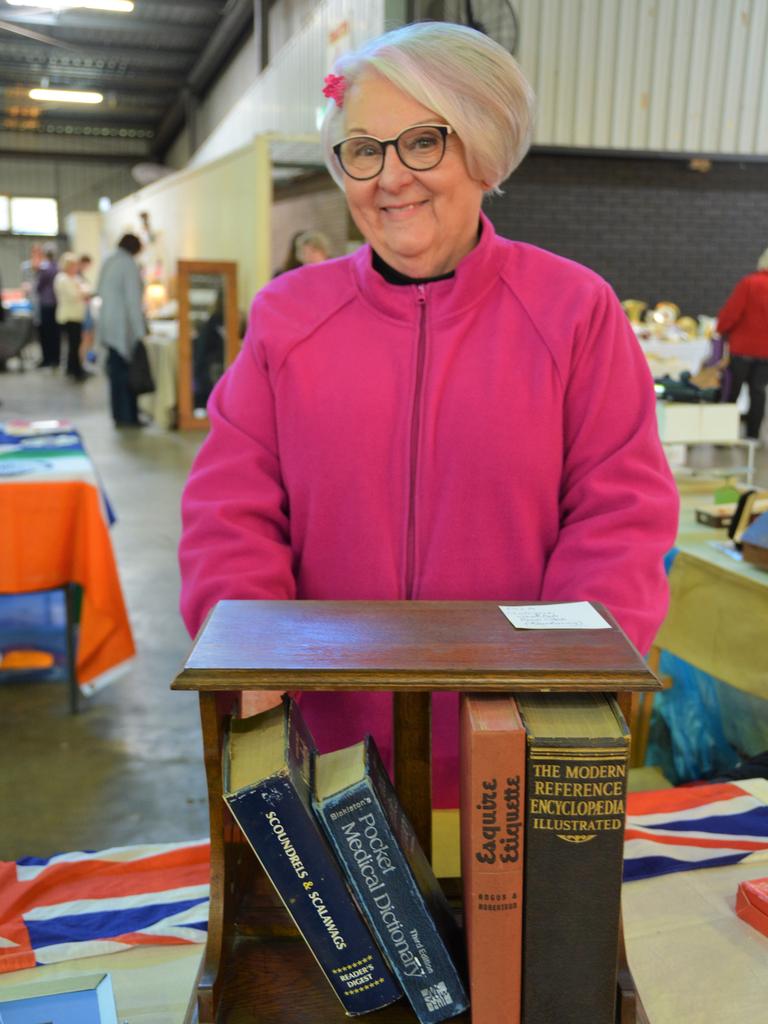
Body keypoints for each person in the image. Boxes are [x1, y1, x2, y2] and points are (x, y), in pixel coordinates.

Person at [179, 23, 679, 807]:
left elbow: (619, 515)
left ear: (481, 149)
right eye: (363, 150)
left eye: (422, 142)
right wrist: (254, 661)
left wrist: (560, 693)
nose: (389, 177)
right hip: (322, 753)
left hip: (514, 754)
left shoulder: (573, 310)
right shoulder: (288, 316)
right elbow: (230, 510)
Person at [717, 247, 768, 441]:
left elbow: (732, 312)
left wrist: (721, 329)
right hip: (766, 352)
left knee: (732, 391)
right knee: (758, 391)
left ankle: (723, 436)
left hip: (742, 349)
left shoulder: (750, 283)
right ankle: (753, 437)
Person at [96, 233, 146, 427]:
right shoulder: (128, 265)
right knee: (127, 375)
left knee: (116, 374)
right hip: (122, 327)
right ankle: (128, 416)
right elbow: (133, 302)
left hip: (109, 324)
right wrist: (140, 332)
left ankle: (120, 414)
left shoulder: (109, 261)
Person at [53, 252, 89, 381]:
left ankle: (72, 368)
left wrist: (82, 291)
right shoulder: (62, 278)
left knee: (76, 343)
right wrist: (81, 291)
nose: (75, 267)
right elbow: (74, 295)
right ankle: (76, 371)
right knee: (74, 344)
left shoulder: (75, 278)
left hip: (77, 315)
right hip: (69, 316)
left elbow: (86, 291)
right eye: (73, 265)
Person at [35, 244, 59, 369]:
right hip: (56, 304)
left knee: (46, 333)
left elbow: (39, 286)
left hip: (46, 304)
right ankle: (56, 359)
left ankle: (47, 359)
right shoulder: (58, 267)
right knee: (55, 333)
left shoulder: (45, 268)